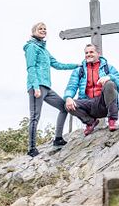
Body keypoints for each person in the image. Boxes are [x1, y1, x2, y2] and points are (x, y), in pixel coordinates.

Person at [24, 22, 79, 157]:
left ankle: (58, 139)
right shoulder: (31, 47)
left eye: (44, 29)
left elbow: (57, 64)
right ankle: (31, 149)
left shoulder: (44, 50)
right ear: (33, 31)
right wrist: (35, 87)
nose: (43, 31)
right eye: (40, 29)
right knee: (35, 117)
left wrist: (76, 65)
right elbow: (31, 68)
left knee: (64, 107)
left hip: (47, 88)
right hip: (36, 87)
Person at [64, 43, 119, 135]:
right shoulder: (79, 71)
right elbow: (71, 86)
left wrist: (110, 77)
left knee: (109, 84)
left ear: (98, 54)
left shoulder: (108, 68)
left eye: (91, 52)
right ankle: (90, 122)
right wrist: (68, 97)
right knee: (67, 105)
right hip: (88, 104)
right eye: (86, 53)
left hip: (104, 103)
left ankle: (112, 120)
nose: (88, 54)